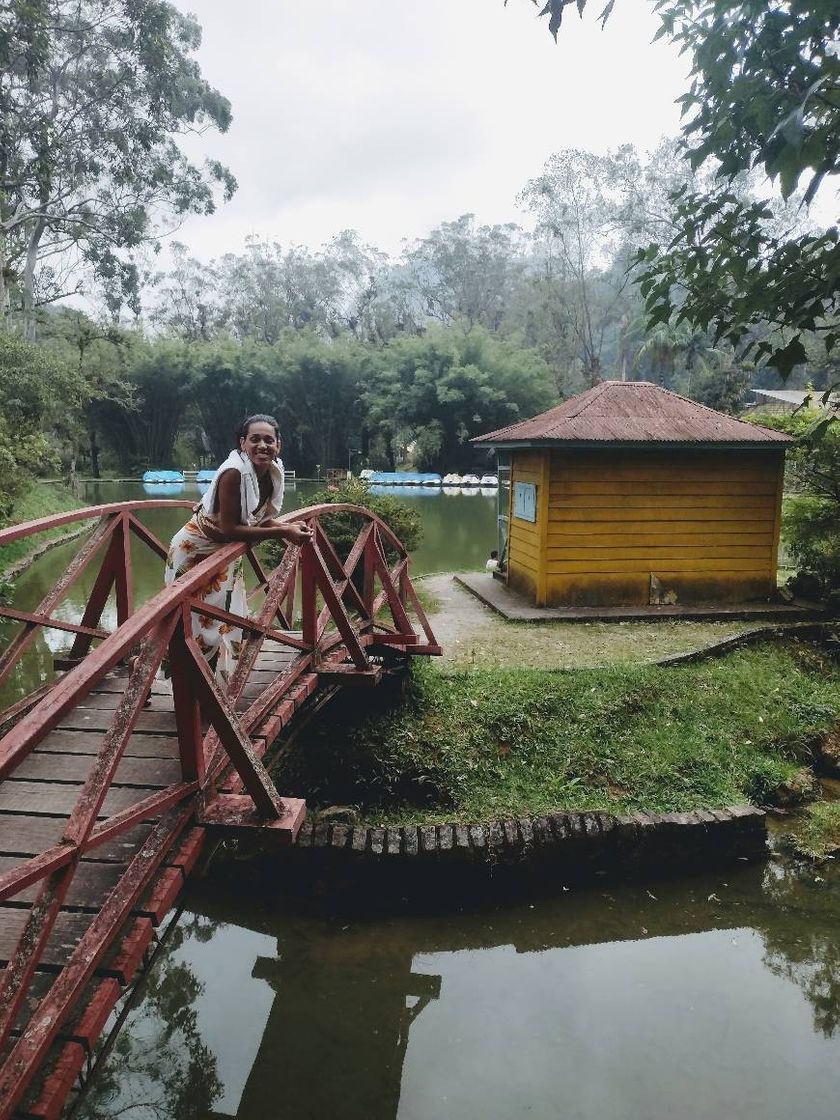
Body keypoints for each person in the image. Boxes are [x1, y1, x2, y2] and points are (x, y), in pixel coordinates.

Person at [164, 413, 312, 680]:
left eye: (269, 440)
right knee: (186, 623)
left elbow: (257, 518)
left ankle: (207, 686)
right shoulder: (234, 472)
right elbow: (230, 528)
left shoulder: (270, 472)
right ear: (242, 443)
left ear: (279, 444)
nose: (262, 446)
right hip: (195, 552)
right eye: (254, 439)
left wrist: (285, 528)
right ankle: (149, 669)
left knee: (222, 620)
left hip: (224, 554)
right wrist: (284, 531)